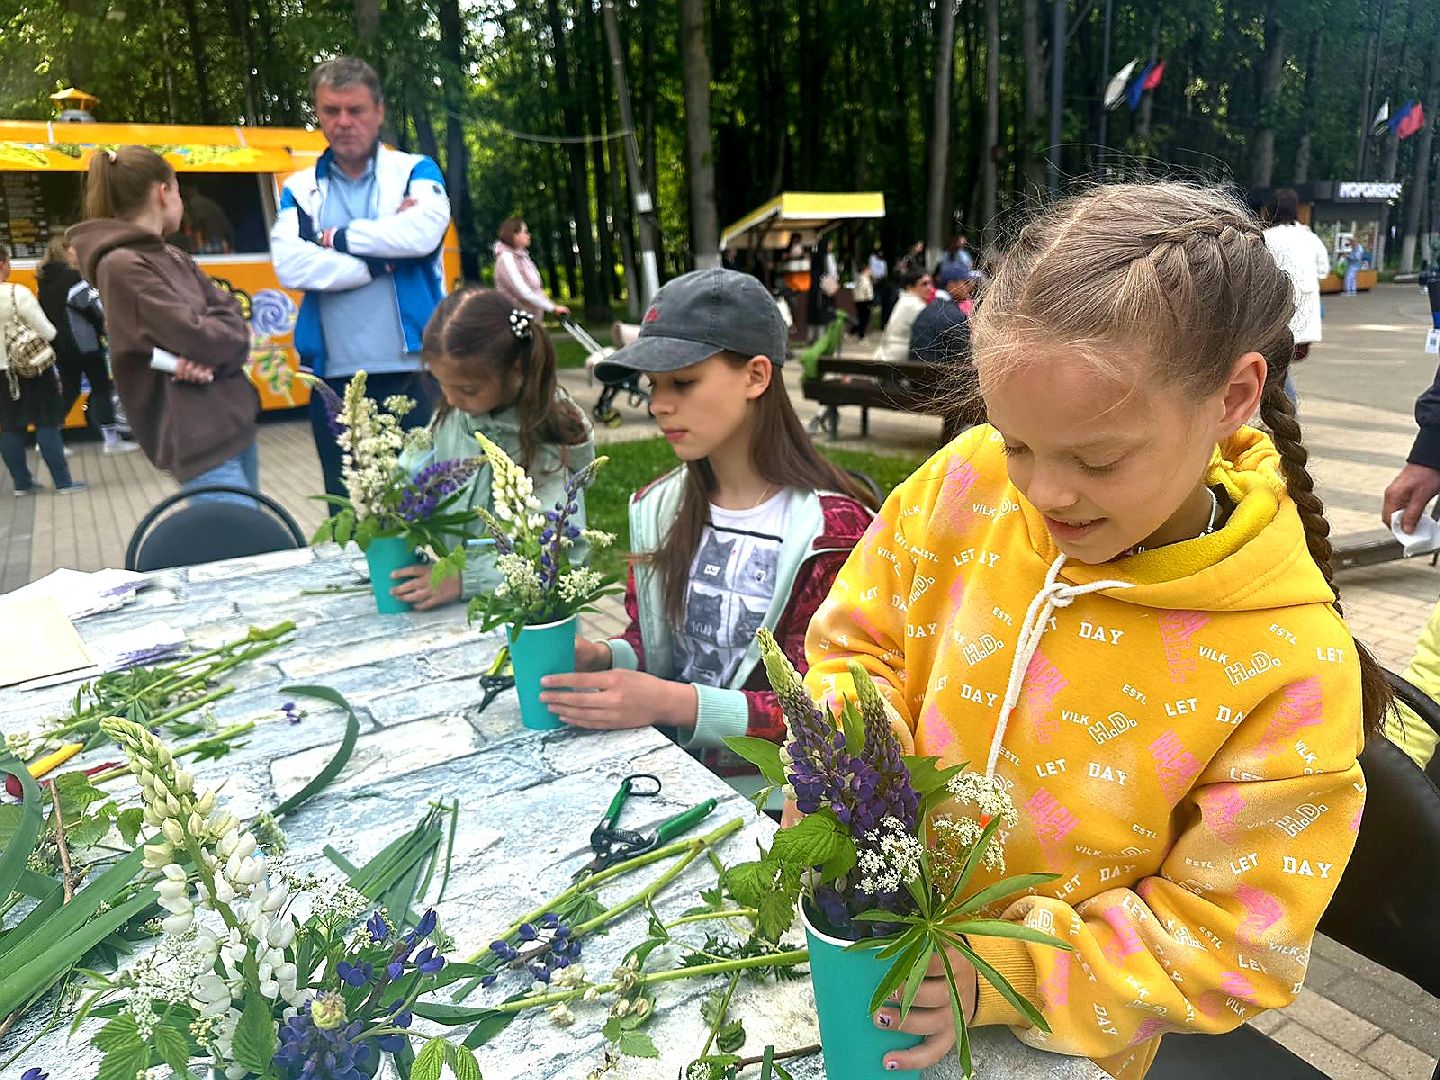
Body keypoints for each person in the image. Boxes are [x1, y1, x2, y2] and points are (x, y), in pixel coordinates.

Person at [804, 182, 1385, 1077]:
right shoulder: (968, 482)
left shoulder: (1292, 661)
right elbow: (856, 638)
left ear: (1234, 396)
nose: (1043, 493)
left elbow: (1234, 944)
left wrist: (1002, 969)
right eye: (1017, 442)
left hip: (1069, 1047)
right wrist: (857, 773)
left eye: (1099, 458)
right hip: (879, 951)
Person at [536, 268, 875, 781]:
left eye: (683, 382)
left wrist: (675, 704)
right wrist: (604, 656)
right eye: (653, 386)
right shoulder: (658, 507)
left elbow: (836, 707)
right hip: (667, 776)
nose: (658, 405)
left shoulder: (833, 531)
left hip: (783, 802)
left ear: (757, 376)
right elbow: (660, 648)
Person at [271, 56, 451, 504]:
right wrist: (378, 260)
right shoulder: (299, 187)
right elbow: (291, 265)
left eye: (355, 110)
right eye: (331, 111)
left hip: (415, 372)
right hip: (333, 381)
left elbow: (422, 233)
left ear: (379, 112)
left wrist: (336, 239)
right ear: (318, 113)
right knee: (350, 511)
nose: (343, 122)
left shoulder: (415, 170)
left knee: (427, 503)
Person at [383, 287, 595, 610]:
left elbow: (559, 553)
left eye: (467, 389)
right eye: (442, 384)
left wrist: (466, 578)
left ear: (516, 372)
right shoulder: (456, 415)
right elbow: (410, 472)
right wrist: (380, 500)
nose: (451, 399)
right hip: (457, 609)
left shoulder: (550, 437)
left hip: (529, 620)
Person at [70, 148, 258, 501]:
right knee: (240, 545)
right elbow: (203, 337)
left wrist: (213, 343)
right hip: (198, 436)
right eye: (178, 189)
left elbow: (229, 323)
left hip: (231, 425)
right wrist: (213, 339)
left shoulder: (172, 255)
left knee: (254, 541)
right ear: (162, 192)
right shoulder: (122, 265)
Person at [35, 236, 135, 454]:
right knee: (100, 388)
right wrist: (105, 326)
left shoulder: (44, 280)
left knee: (69, 390)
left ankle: (50, 440)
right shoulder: (73, 277)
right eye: (74, 249)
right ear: (65, 252)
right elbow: (92, 307)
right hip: (84, 344)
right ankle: (112, 441)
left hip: (60, 346)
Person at [0, 243, 86, 495]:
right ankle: (63, 482)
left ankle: (21, 484)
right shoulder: (17, 293)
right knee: (46, 423)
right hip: (33, 369)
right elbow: (48, 331)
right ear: (2, 264)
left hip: (1, 374)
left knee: (9, 426)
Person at [1263, 189, 1330, 405]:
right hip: (1304, 319)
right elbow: (1324, 270)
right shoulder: (1310, 238)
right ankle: (1285, 413)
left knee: (1274, 370)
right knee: (1280, 369)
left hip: (1273, 316)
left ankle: (1285, 414)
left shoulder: (1266, 238)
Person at [492, 217, 569, 318]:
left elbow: (536, 289)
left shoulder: (523, 257)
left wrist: (551, 306)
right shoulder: (506, 258)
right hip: (514, 321)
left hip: (530, 318)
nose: (529, 235)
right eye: (525, 232)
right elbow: (523, 291)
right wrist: (552, 308)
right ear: (514, 236)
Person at [908, 264, 973, 365]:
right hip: (937, 376)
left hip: (915, 375)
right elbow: (965, 357)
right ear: (951, 285)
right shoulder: (954, 316)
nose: (970, 286)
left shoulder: (929, 308)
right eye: (966, 282)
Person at [874, 262, 931, 362]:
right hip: (896, 361)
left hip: (888, 357)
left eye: (930, 283)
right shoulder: (914, 304)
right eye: (924, 284)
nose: (929, 288)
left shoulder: (905, 299)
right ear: (910, 287)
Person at [851, 263, 876, 339]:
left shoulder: (859, 278)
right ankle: (860, 335)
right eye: (869, 270)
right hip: (865, 300)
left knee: (860, 317)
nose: (871, 271)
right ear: (866, 270)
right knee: (864, 318)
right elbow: (867, 290)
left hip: (859, 300)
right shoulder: (864, 279)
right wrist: (870, 299)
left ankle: (853, 331)